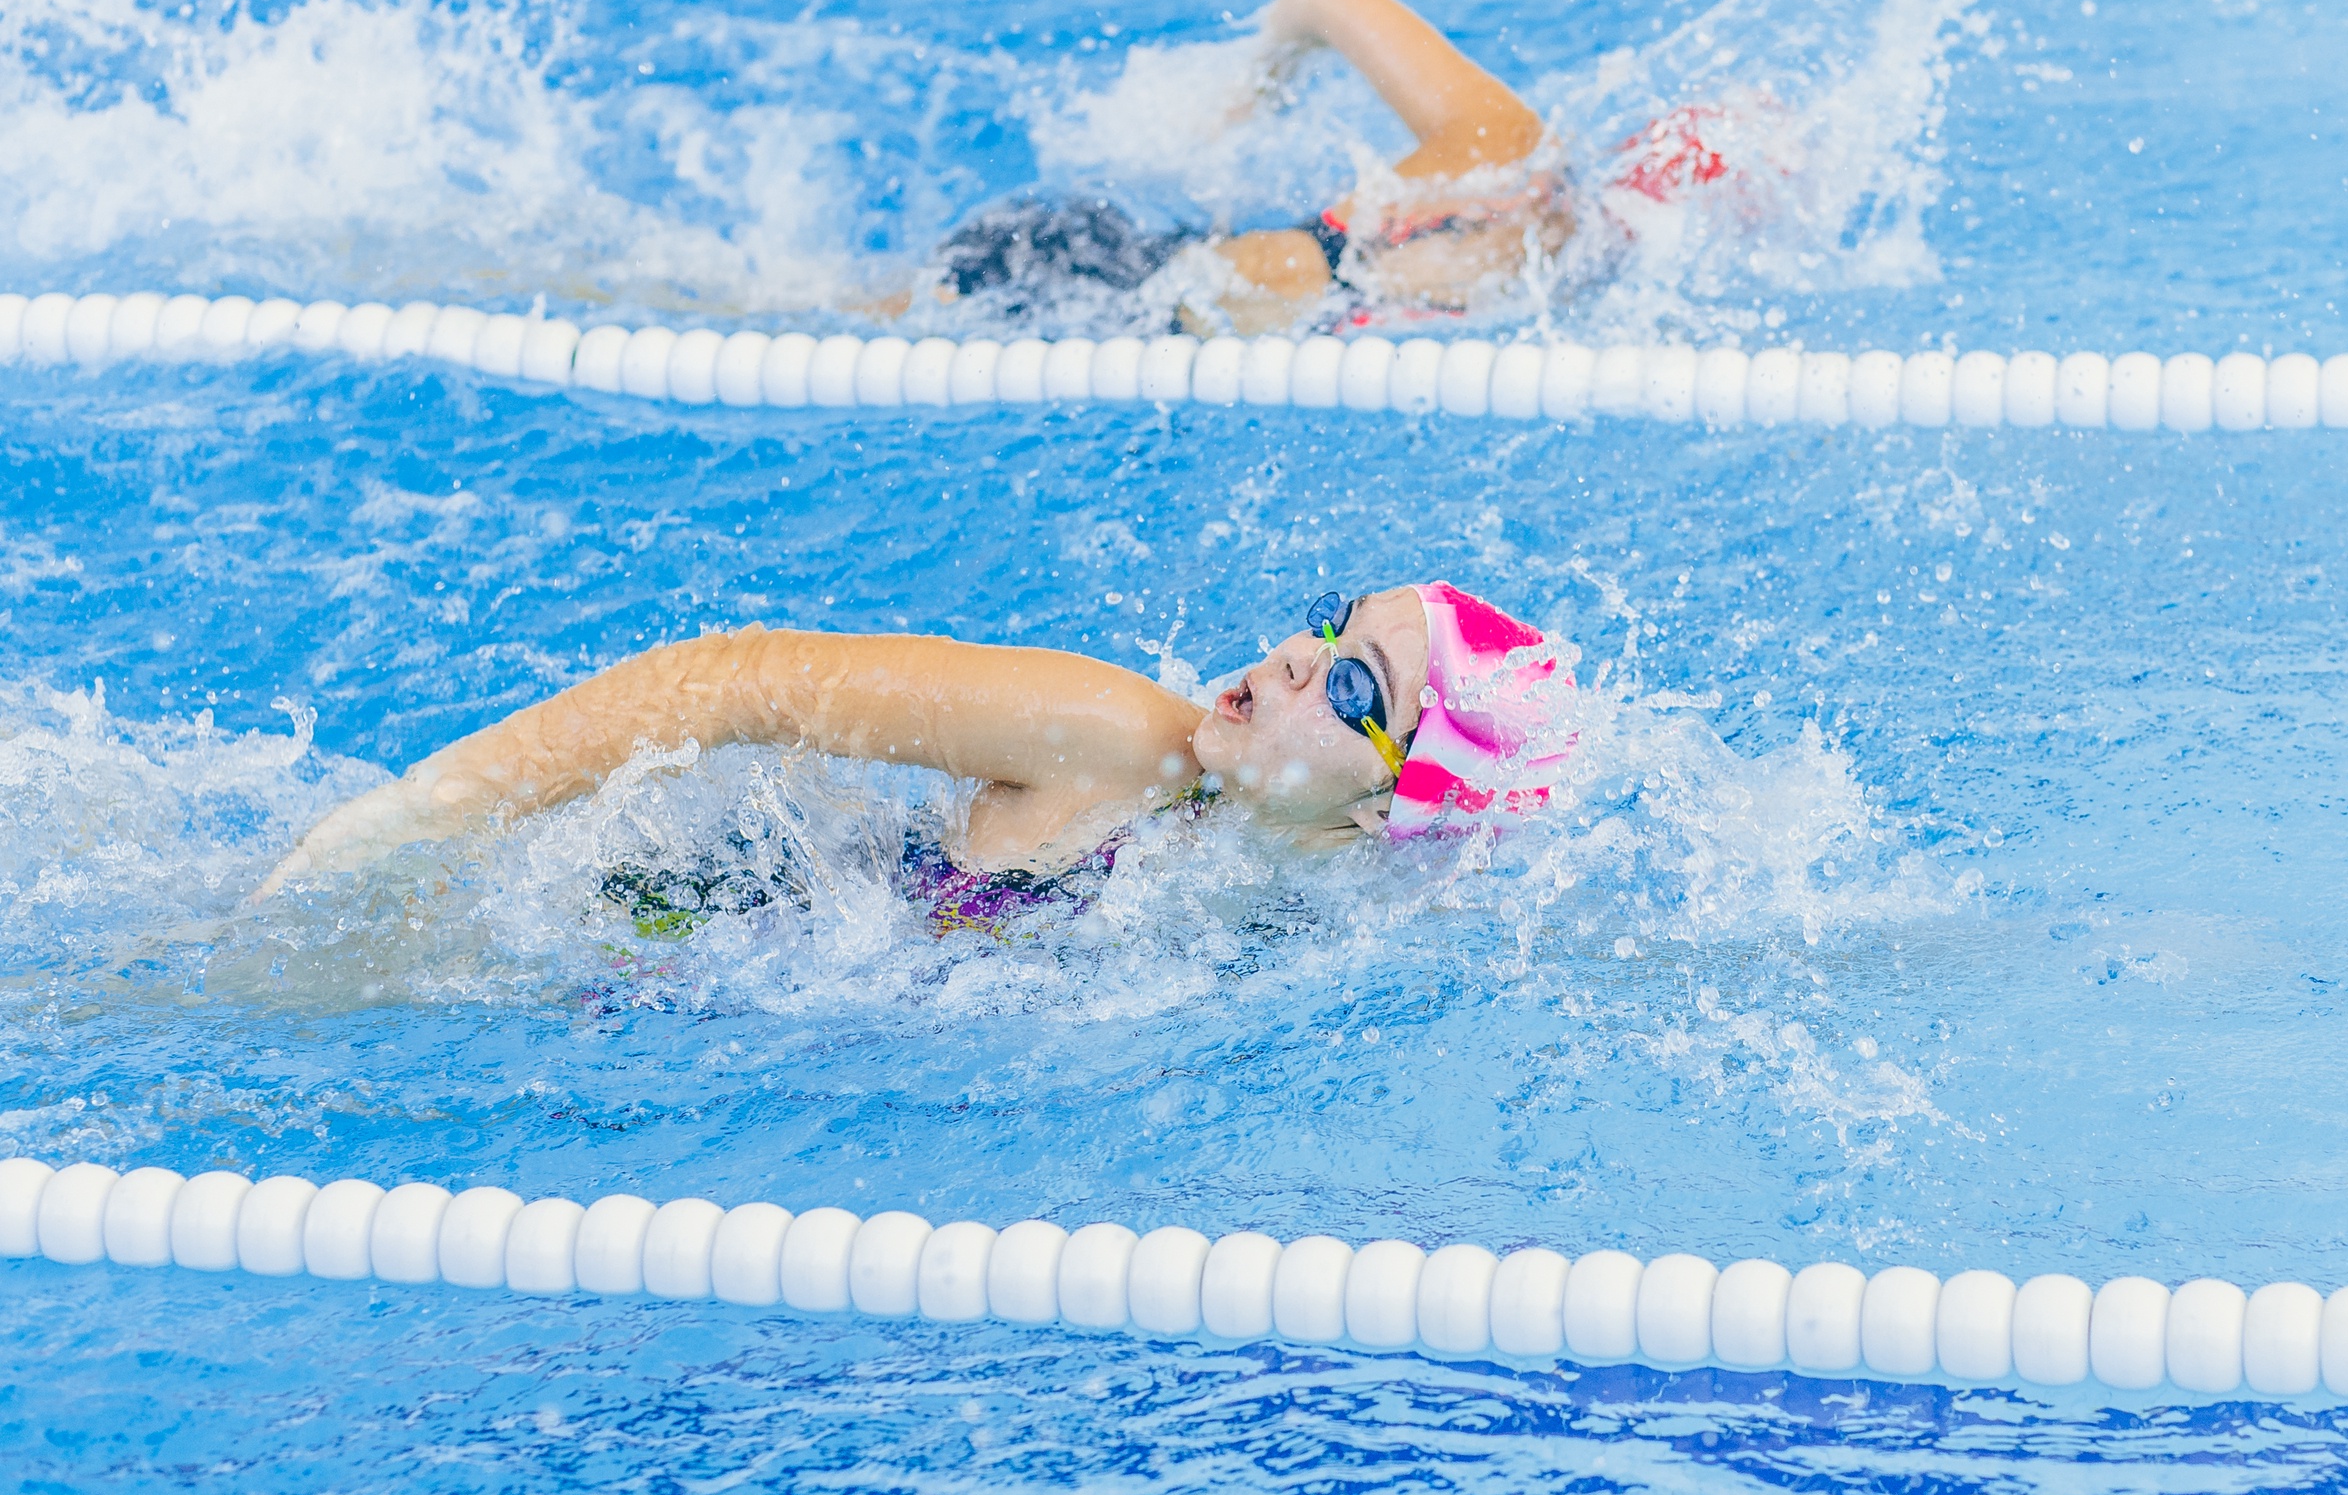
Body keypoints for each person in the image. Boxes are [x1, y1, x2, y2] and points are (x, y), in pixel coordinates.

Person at [253, 584, 1575, 918]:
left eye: (1347, 679)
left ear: (1380, 811)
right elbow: (722, 678)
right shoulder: (1126, 740)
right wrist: (408, 820)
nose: (1293, 652)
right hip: (630, 935)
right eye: (1332, 619)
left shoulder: (1306, 893)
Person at [916, 0, 1575, 335]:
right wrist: (1244, 103)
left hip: (1159, 270)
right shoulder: (1504, 156)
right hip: (1073, 275)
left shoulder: (1542, 243)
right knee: (841, 306)